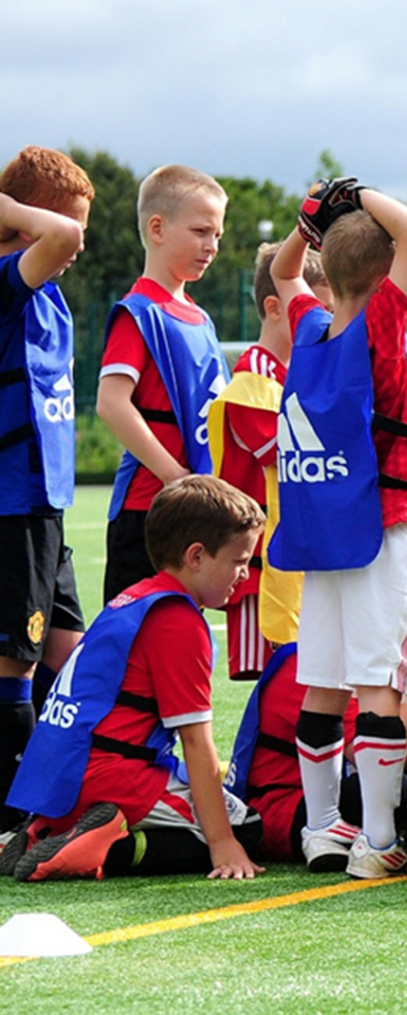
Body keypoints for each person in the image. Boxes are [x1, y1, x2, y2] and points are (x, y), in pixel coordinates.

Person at [267, 177, 407, 879]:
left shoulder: (307, 330)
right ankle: (376, 838)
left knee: (324, 684)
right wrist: (362, 193)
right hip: (386, 525)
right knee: (380, 684)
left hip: (322, 533)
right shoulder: (381, 327)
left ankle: (320, 829)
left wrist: (309, 231)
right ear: (382, 273)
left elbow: (283, 272)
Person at [4, 475, 266, 882]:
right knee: (247, 830)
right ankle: (108, 850)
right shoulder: (178, 621)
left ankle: (45, 833)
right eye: (239, 561)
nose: (246, 574)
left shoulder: (134, 597)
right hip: (111, 775)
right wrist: (222, 843)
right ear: (195, 556)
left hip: (60, 775)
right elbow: (197, 741)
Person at [224, 587, 407, 864]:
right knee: (389, 792)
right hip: (281, 809)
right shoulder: (307, 668)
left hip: (334, 792)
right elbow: (385, 767)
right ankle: (374, 841)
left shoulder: (369, 665)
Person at [0, 146, 93, 838]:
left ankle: (59, 788)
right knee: (16, 667)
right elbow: (61, 237)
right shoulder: (9, 276)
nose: (79, 242)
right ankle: (11, 817)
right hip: (12, 505)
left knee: (73, 657)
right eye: (68, 225)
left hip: (47, 506)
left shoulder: (49, 292)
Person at [96, 165, 230, 603]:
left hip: (193, 509)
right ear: (157, 227)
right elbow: (112, 404)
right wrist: (175, 478)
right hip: (147, 511)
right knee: (133, 641)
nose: (211, 246)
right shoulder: (139, 313)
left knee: (180, 631)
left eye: (217, 235)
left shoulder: (201, 317)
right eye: (200, 231)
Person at [207, 243, 331, 679]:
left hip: (299, 555)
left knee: (309, 672)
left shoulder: (299, 373)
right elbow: (302, 455)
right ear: (276, 308)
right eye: (317, 310)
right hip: (262, 566)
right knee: (274, 680)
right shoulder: (252, 385)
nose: (326, 323)